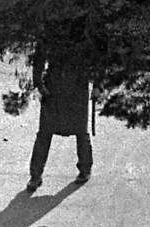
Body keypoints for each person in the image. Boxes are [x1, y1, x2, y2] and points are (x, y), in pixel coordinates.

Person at [27, 40, 96, 192]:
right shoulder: (51, 25)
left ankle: (85, 169)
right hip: (54, 84)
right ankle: (35, 175)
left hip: (77, 85)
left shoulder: (84, 25)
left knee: (80, 130)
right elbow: (40, 55)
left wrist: (98, 85)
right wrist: (39, 82)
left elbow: (97, 54)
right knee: (45, 132)